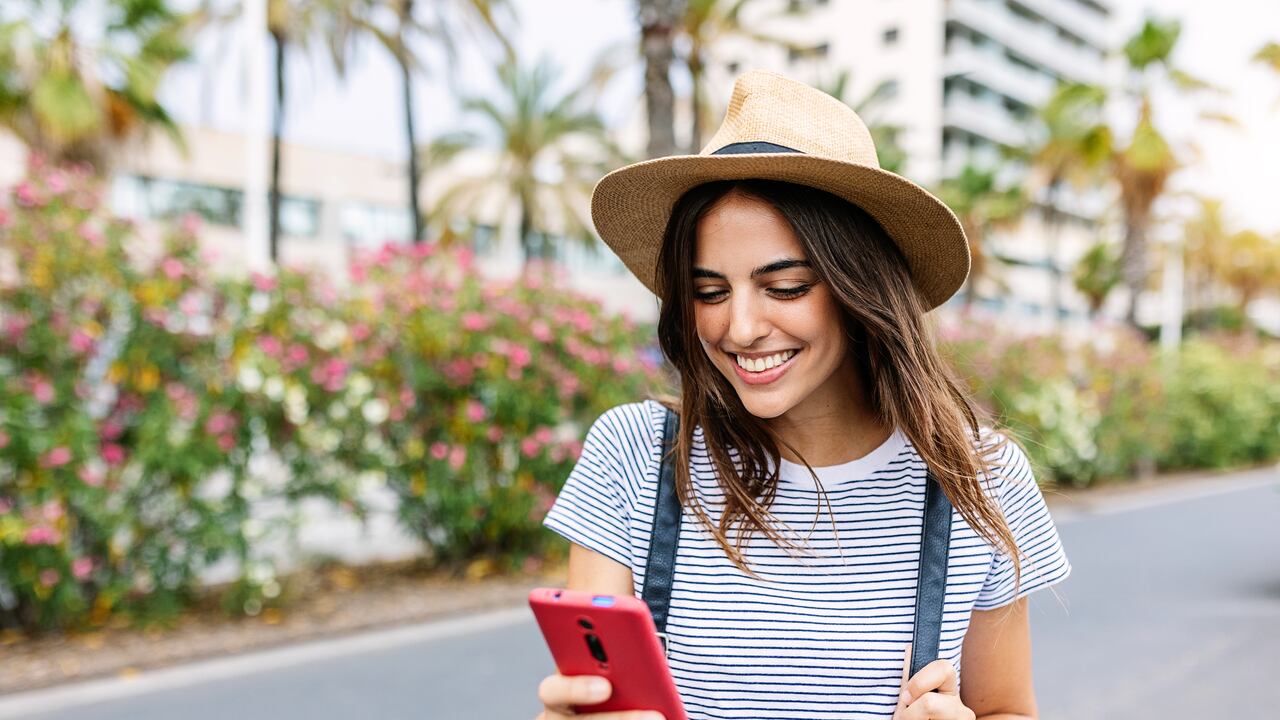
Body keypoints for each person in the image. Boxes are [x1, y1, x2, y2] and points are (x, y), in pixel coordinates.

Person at [534, 70, 1071, 720]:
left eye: (784, 287)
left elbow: (1009, 709)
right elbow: (595, 700)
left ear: (860, 285)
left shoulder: (979, 479)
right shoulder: (634, 455)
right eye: (709, 292)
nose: (740, 328)